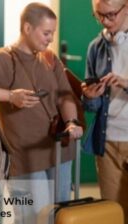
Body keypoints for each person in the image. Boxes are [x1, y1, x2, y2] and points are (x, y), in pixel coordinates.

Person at [0, 2, 83, 215]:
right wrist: (10, 96)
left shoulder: (50, 59)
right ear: (27, 28)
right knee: (35, 217)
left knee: (62, 214)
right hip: (26, 157)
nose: (51, 39)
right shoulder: (0, 59)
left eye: (52, 33)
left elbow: (65, 97)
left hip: (60, 150)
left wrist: (72, 123)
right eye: (46, 33)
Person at [82, 0, 128, 221]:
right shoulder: (95, 47)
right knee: (112, 212)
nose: (104, 21)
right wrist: (90, 97)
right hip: (107, 140)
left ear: (126, 7)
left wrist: (125, 83)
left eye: (110, 15)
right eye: (98, 16)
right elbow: (92, 107)